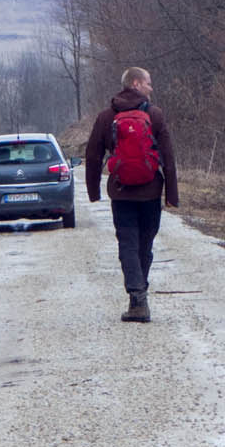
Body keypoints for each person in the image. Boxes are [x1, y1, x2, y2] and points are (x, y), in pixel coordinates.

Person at [85, 66, 179, 322]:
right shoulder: (155, 115)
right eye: (148, 82)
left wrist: (93, 192)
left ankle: (137, 299)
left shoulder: (106, 117)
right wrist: (172, 194)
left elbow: (93, 156)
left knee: (127, 244)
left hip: (121, 193)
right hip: (151, 192)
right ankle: (140, 292)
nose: (151, 87)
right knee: (145, 246)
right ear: (136, 84)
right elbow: (168, 158)